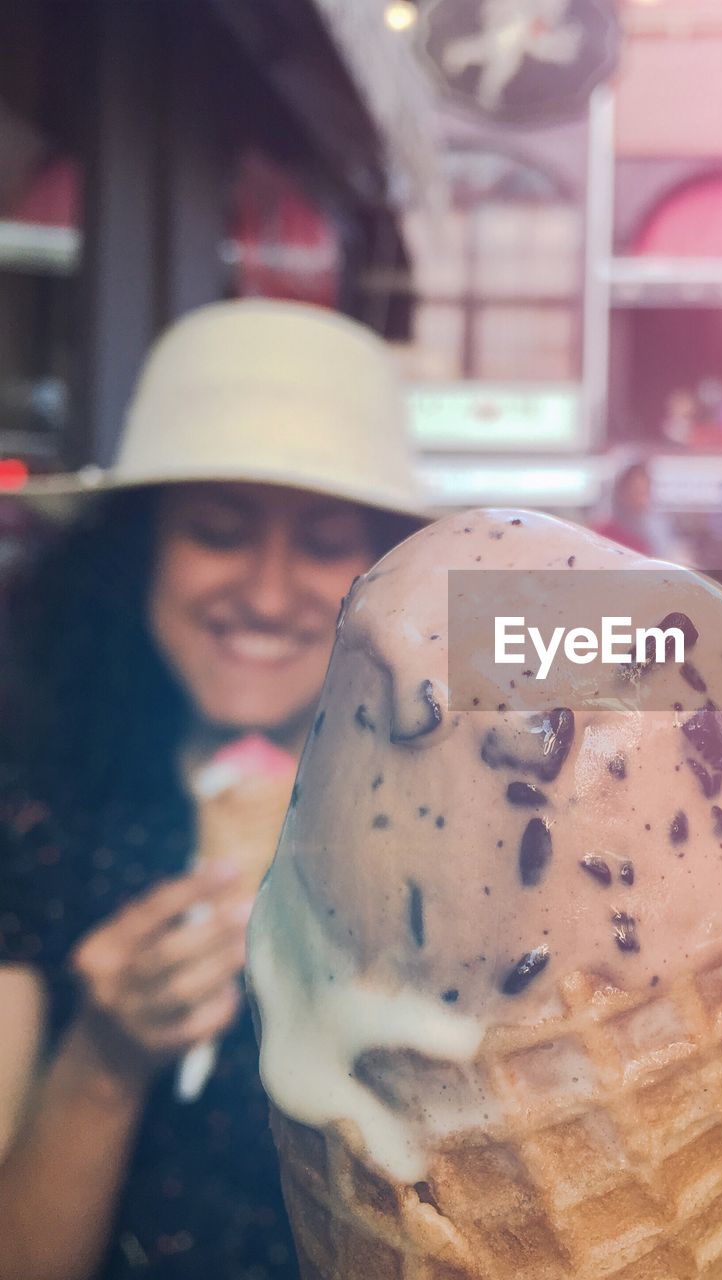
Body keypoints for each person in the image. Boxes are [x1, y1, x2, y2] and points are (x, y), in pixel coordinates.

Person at [0, 298, 423, 1280]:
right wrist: (107, 1056)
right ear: (138, 553)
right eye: (219, 530)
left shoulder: (458, 839)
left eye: (322, 543)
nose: (269, 594)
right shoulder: (32, 822)